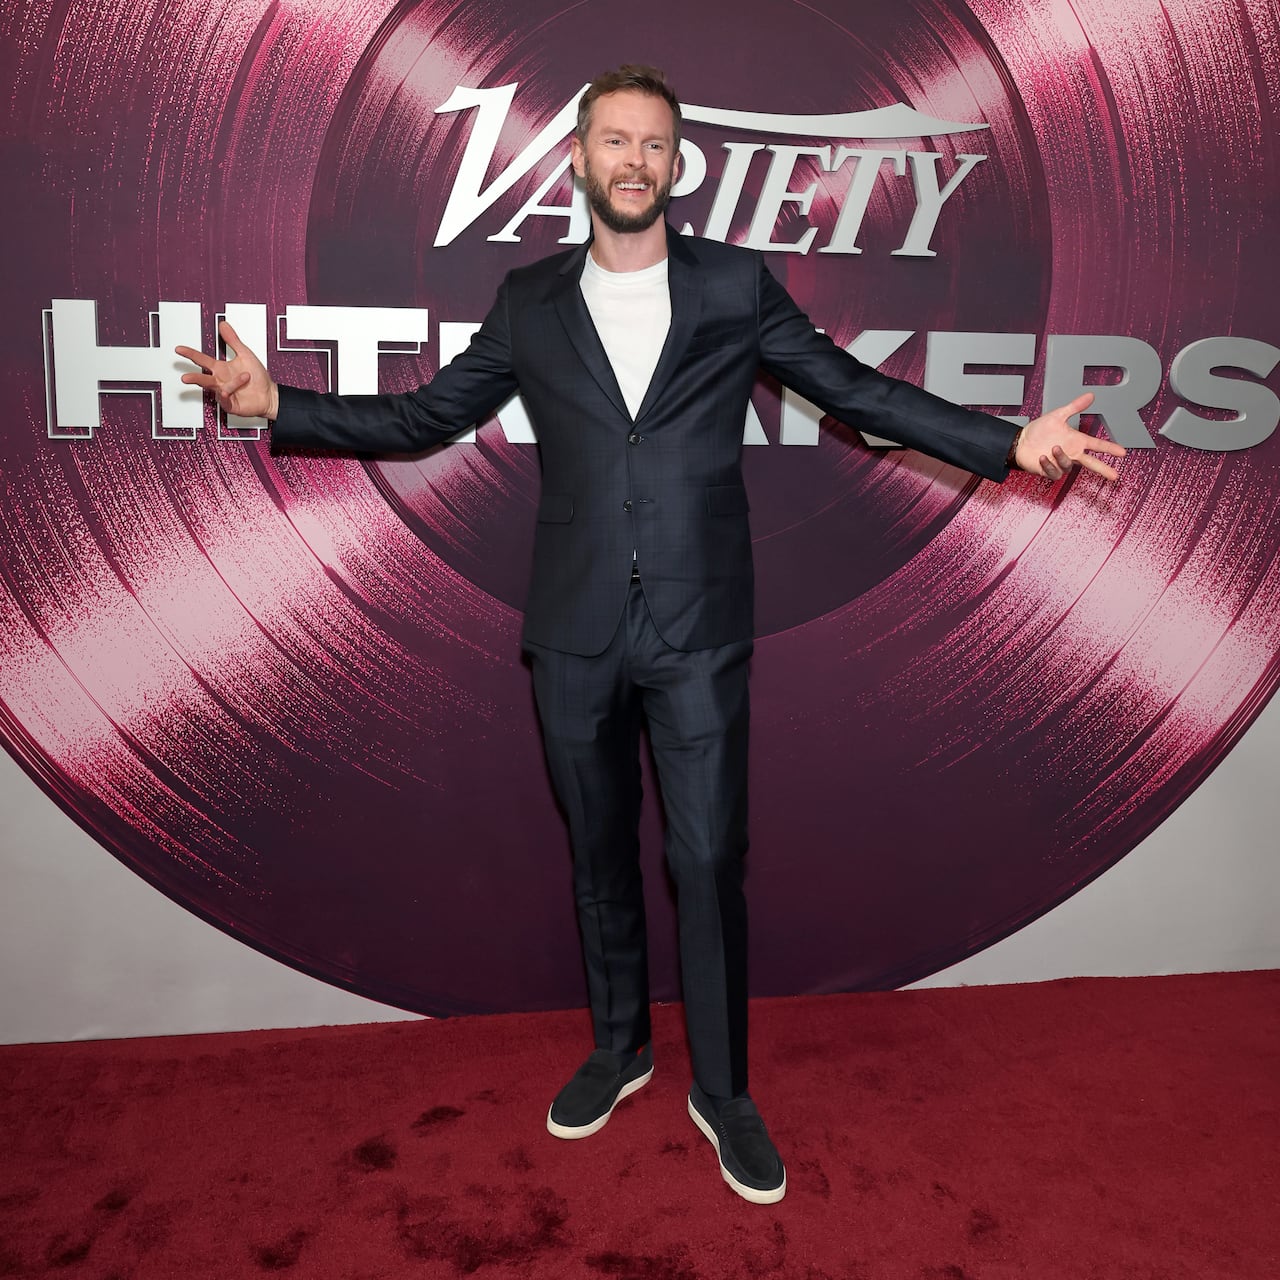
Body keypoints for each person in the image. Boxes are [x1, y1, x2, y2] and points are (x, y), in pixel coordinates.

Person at [177, 65, 1125, 1205]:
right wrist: (278, 405)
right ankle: (620, 1046)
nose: (633, 160)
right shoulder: (530, 298)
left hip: (698, 625)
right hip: (572, 625)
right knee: (596, 854)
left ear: (676, 165)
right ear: (578, 160)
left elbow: (853, 391)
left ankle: (722, 1090)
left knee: (707, 859)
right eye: (614, 141)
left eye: (653, 143)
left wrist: (1004, 441)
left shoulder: (733, 286)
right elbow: (427, 416)